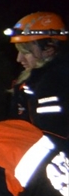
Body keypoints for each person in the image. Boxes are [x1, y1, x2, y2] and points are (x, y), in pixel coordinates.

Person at [4, 11, 68, 151]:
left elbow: (52, 137)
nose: (19, 59)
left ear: (49, 49)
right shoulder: (30, 82)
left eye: (26, 52)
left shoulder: (55, 84)